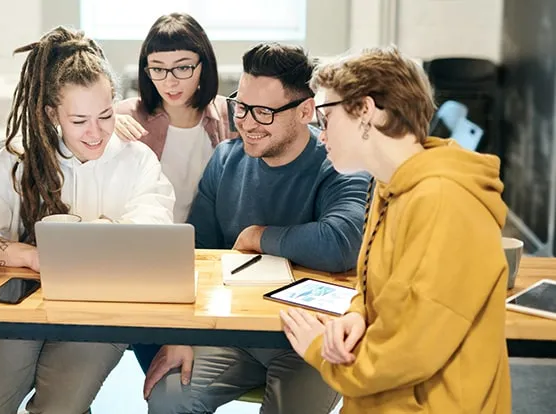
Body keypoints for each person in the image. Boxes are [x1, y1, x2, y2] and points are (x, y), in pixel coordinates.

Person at [0, 26, 175, 414]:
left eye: (105, 115)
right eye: (79, 120)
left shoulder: (137, 161)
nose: (95, 133)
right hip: (20, 312)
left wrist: (98, 237)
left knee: (58, 409)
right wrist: (22, 254)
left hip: (100, 317)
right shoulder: (18, 161)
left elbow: (156, 227)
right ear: (51, 113)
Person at [280, 46, 512, 413]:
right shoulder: (392, 186)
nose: (320, 136)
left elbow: (413, 349)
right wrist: (357, 314)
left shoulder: (443, 200)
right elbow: (383, 289)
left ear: (365, 110)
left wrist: (319, 351)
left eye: (325, 119)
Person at [143, 43, 369, 414]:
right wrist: (179, 335)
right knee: (168, 398)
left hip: (311, 338)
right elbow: (195, 254)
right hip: (233, 333)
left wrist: (257, 236)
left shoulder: (338, 161)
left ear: (305, 111)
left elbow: (342, 242)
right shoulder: (225, 159)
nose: (246, 122)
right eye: (241, 106)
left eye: (263, 112)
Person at [114, 12, 237, 223]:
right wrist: (105, 121)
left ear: (203, 66)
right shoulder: (124, 115)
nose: (170, 82)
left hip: (210, 247)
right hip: (145, 243)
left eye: (182, 67)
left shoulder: (231, 114)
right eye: (158, 69)